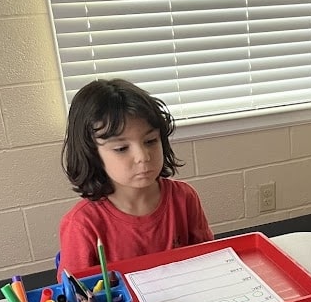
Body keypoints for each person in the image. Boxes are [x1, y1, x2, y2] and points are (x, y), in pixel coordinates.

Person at [58, 78, 213, 278]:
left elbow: (209, 262)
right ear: (92, 154)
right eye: (121, 148)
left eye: (150, 141)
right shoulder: (82, 225)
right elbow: (75, 296)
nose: (143, 157)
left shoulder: (184, 198)